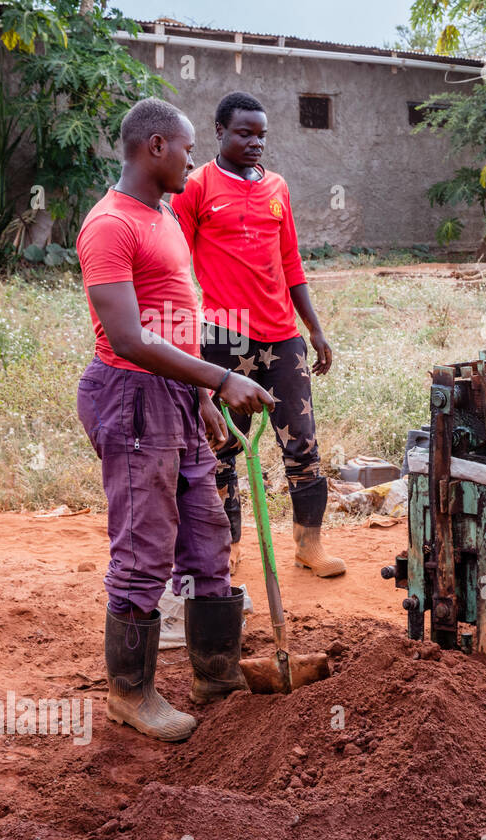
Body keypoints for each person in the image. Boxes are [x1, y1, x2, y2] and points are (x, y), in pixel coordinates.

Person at [76, 98, 274, 742]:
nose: (195, 158)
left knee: (207, 539)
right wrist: (220, 377)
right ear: (156, 146)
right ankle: (128, 694)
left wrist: (202, 400)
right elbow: (131, 338)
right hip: (131, 399)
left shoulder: (159, 214)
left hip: (174, 400)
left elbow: (171, 322)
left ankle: (215, 673)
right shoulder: (110, 225)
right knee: (144, 552)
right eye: (188, 148)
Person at [172, 90, 344, 578]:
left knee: (303, 442)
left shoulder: (277, 188)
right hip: (224, 340)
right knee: (223, 446)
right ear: (220, 133)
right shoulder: (196, 187)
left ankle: (308, 546)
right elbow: (177, 269)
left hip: (282, 338)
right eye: (245, 133)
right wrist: (184, 338)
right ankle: (228, 546)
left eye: (262, 135)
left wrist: (314, 328)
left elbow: (291, 263)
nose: (255, 143)